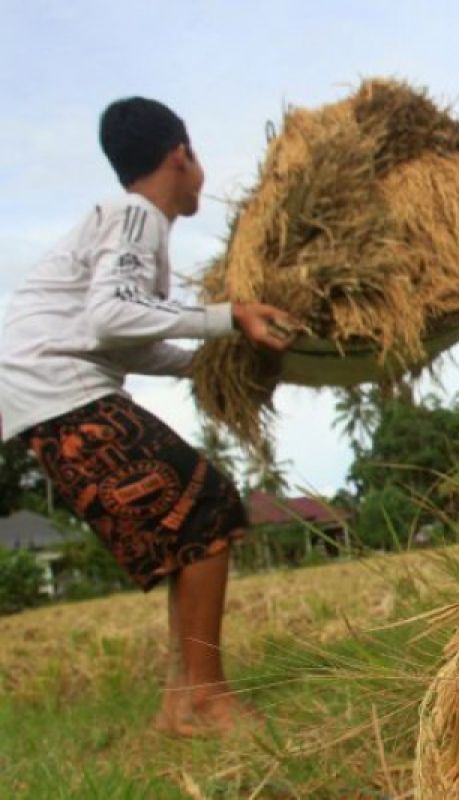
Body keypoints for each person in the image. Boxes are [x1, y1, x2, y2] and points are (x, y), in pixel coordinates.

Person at [0, 97, 297, 736]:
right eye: (196, 157)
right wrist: (231, 315)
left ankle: (179, 706)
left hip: (47, 395)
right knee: (211, 505)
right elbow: (112, 316)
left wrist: (208, 364)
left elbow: (124, 338)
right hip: (60, 393)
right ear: (180, 155)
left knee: (188, 526)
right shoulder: (137, 216)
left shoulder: (120, 221)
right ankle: (208, 700)